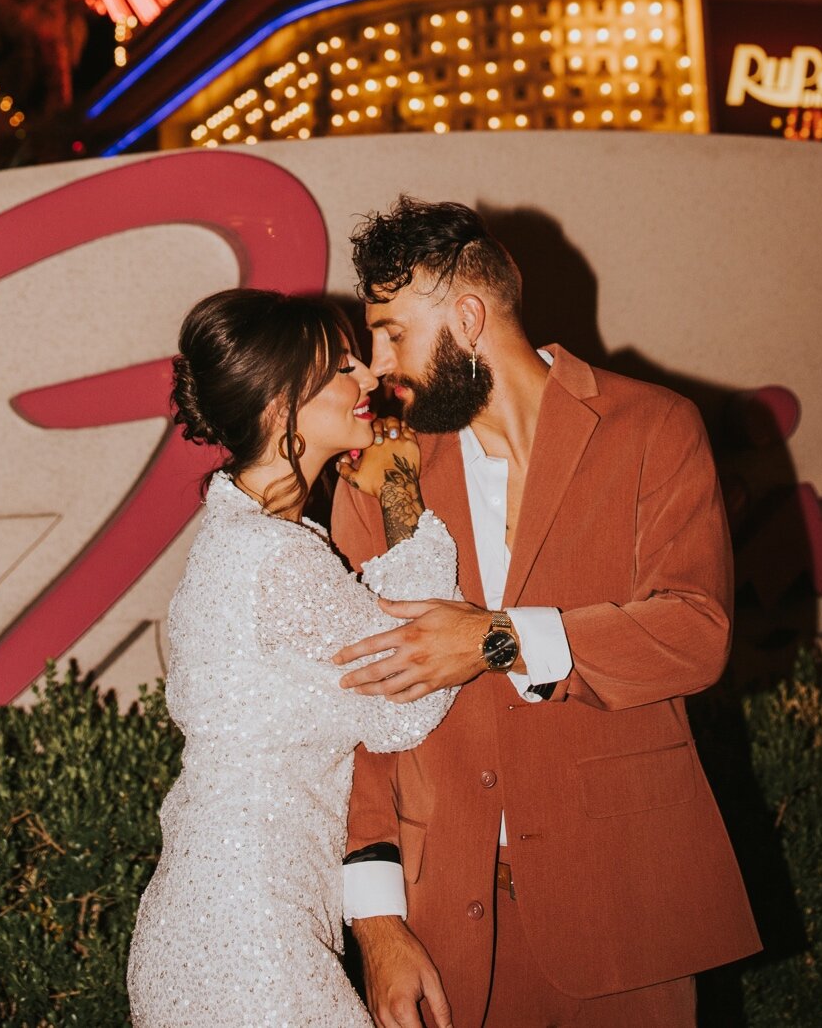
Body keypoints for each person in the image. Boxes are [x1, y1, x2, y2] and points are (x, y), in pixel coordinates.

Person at [331, 196, 760, 1028]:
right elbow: (357, 711)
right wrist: (378, 926)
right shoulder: (385, 474)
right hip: (446, 936)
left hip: (627, 911)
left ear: (467, 315)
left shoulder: (655, 428)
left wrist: (493, 639)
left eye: (392, 332)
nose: (376, 364)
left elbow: (694, 631)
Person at [128, 287, 458, 1028]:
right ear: (283, 407)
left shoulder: (239, 544)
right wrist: (403, 490)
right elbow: (410, 699)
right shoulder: (272, 559)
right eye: (343, 366)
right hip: (249, 936)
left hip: (215, 917)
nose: (368, 378)